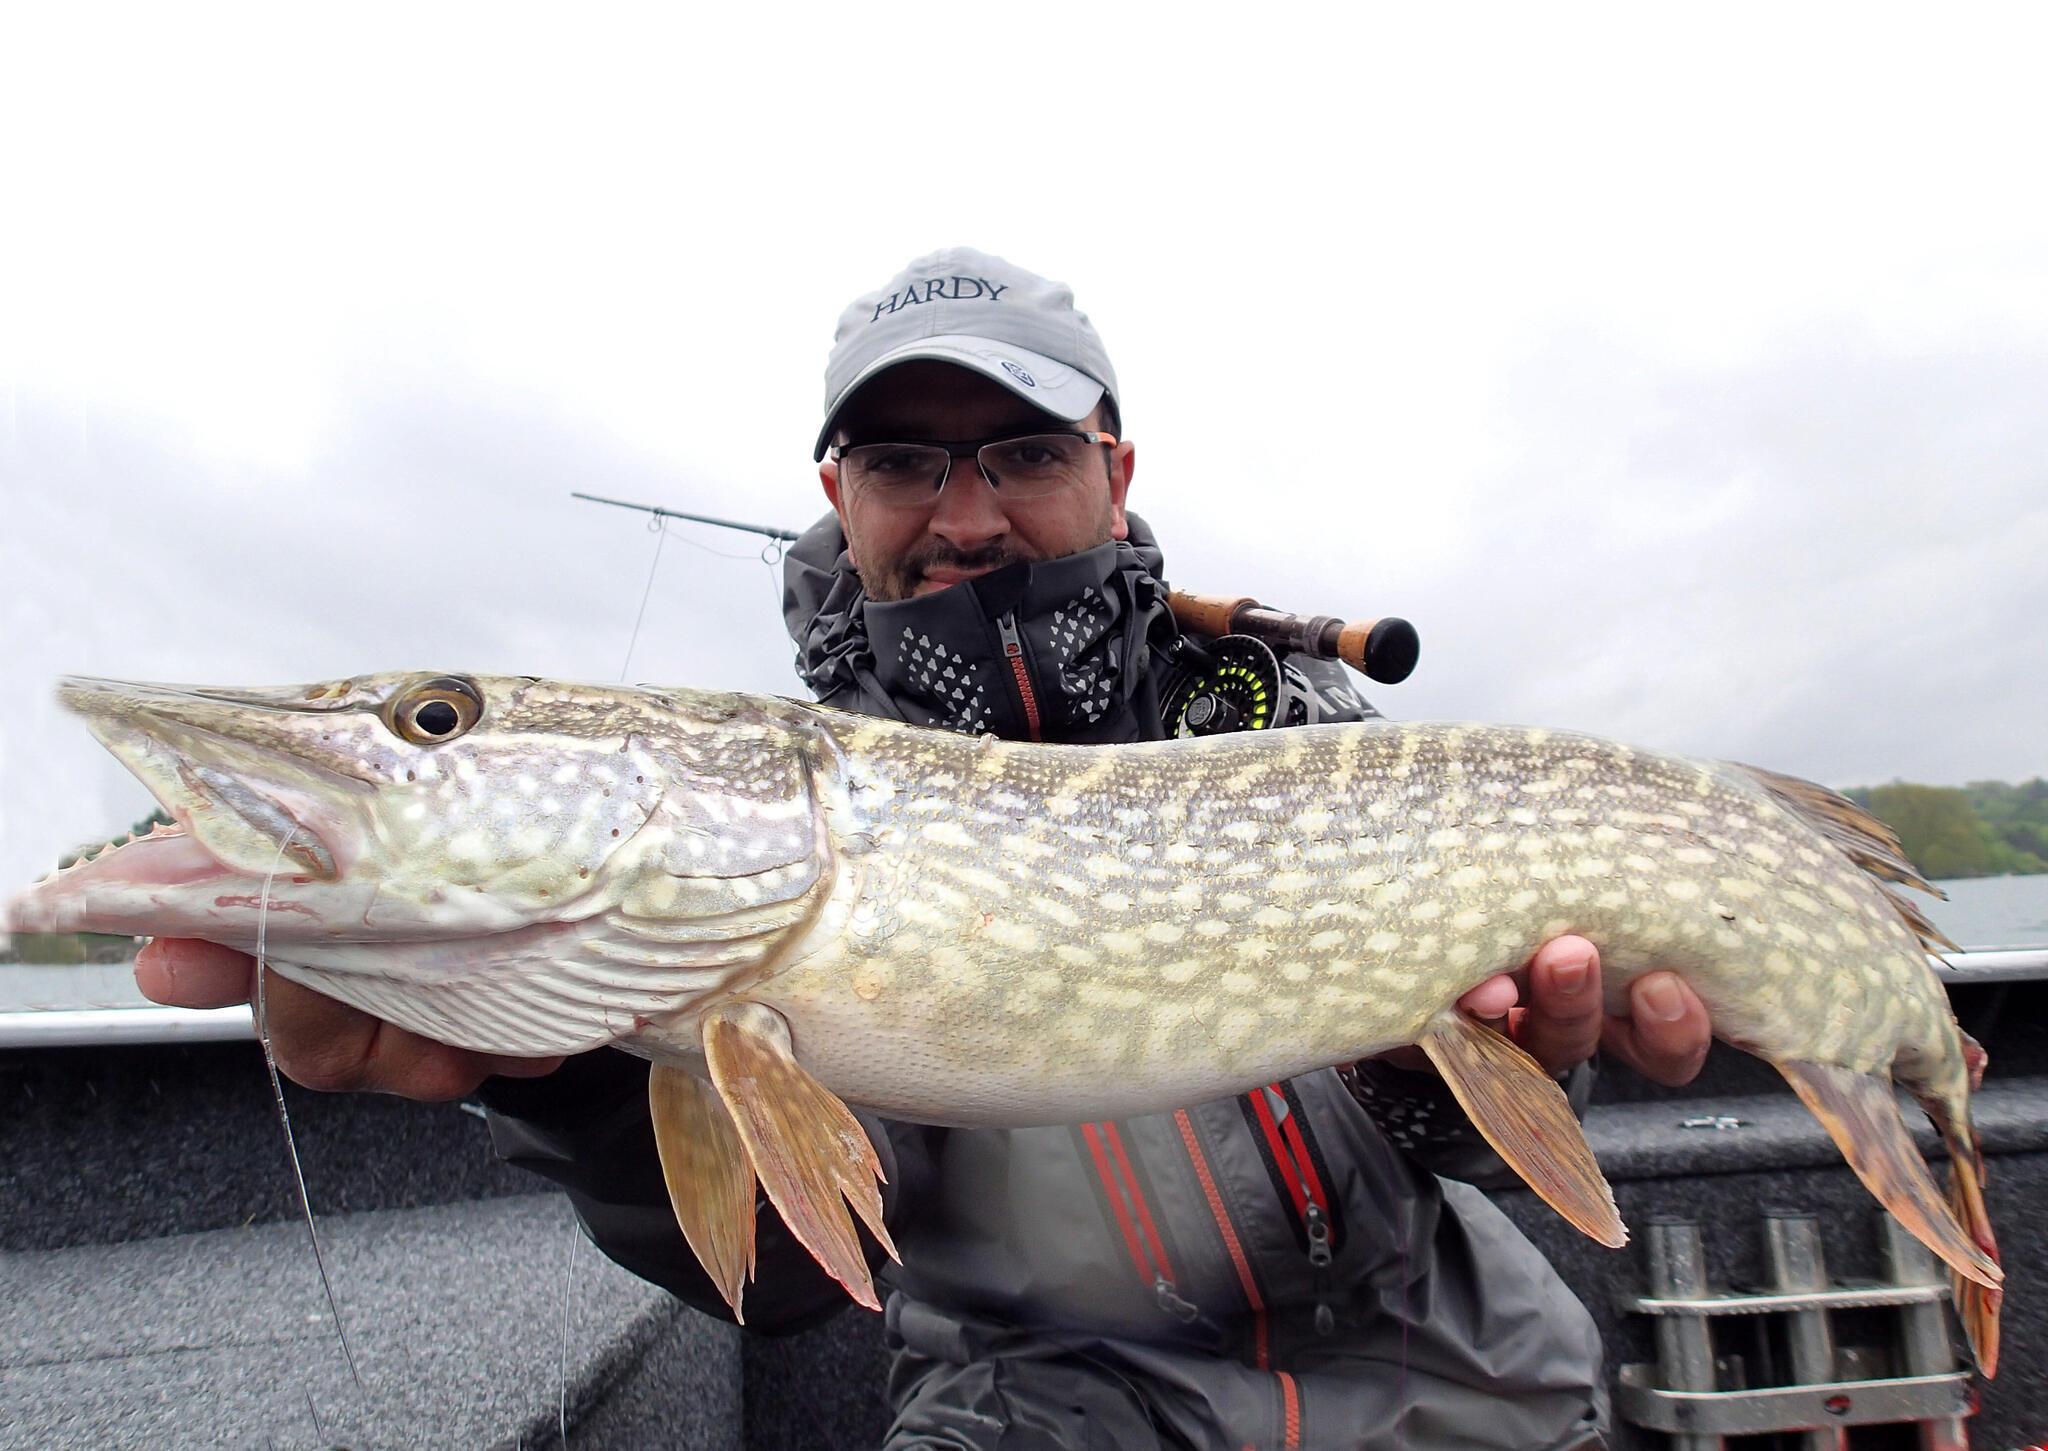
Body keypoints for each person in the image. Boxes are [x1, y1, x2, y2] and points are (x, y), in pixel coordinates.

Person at [141, 248, 1715, 1449]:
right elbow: (801, 1285)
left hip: (1468, 1391)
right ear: (838, 491)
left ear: (1117, 469)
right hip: (1043, 1415)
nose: (965, 511)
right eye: (904, 460)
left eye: (1024, 450)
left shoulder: (1290, 728)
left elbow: (1469, 1130)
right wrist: (567, 1072)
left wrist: (1474, 1071)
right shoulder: (764, 810)